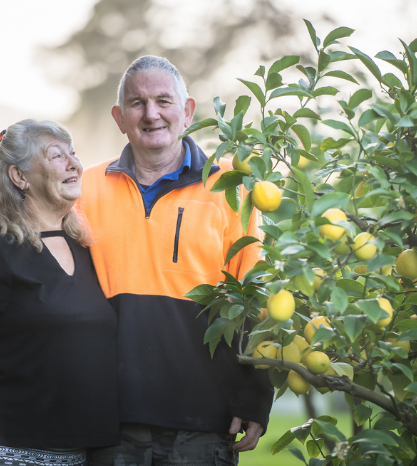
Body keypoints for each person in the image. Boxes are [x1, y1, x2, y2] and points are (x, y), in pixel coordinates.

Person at [79, 56, 274, 466]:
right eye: (137, 103)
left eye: (163, 101)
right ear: (119, 118)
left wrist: (257, 393)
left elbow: (257, 295)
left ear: (187, 112)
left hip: (205, 420)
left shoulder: (231, 189)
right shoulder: (84, 190)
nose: (151, 114)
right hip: (108, 420)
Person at [0, 119, 120, 466]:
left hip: (83, 455)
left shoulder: (85, 247)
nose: (74, 164)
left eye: (73, 153)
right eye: (57, 156)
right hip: (9, 454)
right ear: (19, 177)